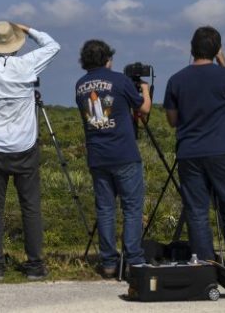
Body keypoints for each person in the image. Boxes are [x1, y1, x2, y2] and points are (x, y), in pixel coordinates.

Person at [0, 21, 60, 281]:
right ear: (16, 42)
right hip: (24, 147)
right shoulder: (27, 64)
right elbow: (53, 46)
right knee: (30, 207)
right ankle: (34, 265)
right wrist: (29, 30)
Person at [163, 26, 225, 278]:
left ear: (192, 49)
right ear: (216, 49)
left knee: (197, 210)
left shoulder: (176, 79)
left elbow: (171, 120)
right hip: (221, 151)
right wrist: (223, 61)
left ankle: (205, 267)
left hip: (189, 152)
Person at [74, 40, 151, 277]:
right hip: (124, 154)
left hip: (98, 155)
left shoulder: (80, 85)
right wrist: (145, 90)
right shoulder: (120, 80)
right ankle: (133, 260)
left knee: (105, 210)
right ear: (108, 59)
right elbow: (144, 109)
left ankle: (108, 262)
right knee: (131, 208)